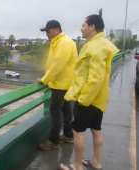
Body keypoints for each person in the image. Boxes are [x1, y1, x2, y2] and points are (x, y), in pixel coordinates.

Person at [59, 14, 119, 170]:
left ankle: (77, 166)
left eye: (84, 25)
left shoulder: (95, 47)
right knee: (96, 130)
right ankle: (96, 162)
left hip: (88, 98)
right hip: (98, 98)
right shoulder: (102, 44)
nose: (81, 28)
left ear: (92, 27)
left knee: (78, 132)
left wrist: (83, 100)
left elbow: (95, 78)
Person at [39, 20, 78, 150]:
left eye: (48, 31)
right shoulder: (59, 42)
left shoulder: (64, 43)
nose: (47, 34)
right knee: (66, 111)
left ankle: (53, 141)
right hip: (64, 83)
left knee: (55, 111)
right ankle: (68, 135)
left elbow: (57, 65)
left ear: (56, 29)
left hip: (61, 84)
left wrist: (44, 80)